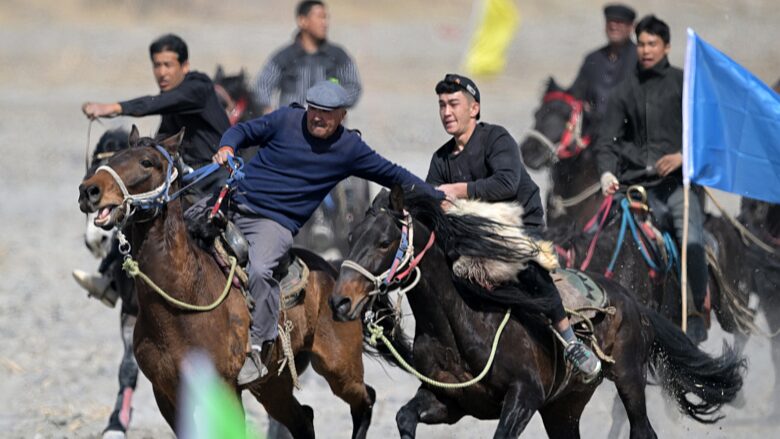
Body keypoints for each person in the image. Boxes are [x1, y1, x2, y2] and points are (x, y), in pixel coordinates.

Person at [205, 81, 442, 385]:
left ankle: (257, 348)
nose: (318, 117)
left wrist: (436, 196)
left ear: (342, 116)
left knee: (261, 270)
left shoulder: (349, 149)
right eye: (314, 109)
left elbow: (393, 173)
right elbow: (243, 131)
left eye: (327, 113)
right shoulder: (285, 120)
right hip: (233, 201)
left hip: (273, 223)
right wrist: (227, 146)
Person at [426, 73, 601, 381]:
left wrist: (456, 191)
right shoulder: (441, 159)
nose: (446, 112)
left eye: (454, 104)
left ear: (474, 108)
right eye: (441, 105)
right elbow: (430, 201)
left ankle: (570, 340)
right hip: (474, 239)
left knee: (526, 266)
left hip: (522, 226)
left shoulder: (497, 139)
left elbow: (506, 183)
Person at [75, 34, 230, 303]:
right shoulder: (172, 101)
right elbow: (159, 147)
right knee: (135, 209)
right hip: (186, 181)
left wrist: (113, 108)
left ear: (185, 65)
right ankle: (112, 278)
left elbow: (152, 103)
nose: (162, 72)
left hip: (216, 179)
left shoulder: (198, 88)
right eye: (157, 65)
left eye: (168, 65)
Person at [597, 15, 709, 343]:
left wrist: (682, 158)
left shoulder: (683, 83)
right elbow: (606, 141)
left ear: (667, 46)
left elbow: (704, 135)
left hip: (677, 186)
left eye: (652, 44)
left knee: (690, 238)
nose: (645, 50)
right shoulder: (623, 90)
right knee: (600, 241)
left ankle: (695, 311)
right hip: (635, 188)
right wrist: (606, 173)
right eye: (641, 44)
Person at [252, 0, 361, 114]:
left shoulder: (338, 55)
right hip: (292, 125)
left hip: (328, 125)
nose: (325, 23)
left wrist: (335, 102)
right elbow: (262, 86)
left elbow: (353, 86)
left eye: (326, 18)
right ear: (302, 21)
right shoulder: (284, 57)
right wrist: (268, 111)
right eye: (320, 17)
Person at [570, 4, 637, 130]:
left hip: (628, 134)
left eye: (619, 22)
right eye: (610, 21)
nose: (613, 26)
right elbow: (575, 94)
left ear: (631, 27)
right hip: (593, 133)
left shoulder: (640, 59)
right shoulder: (592, 58)